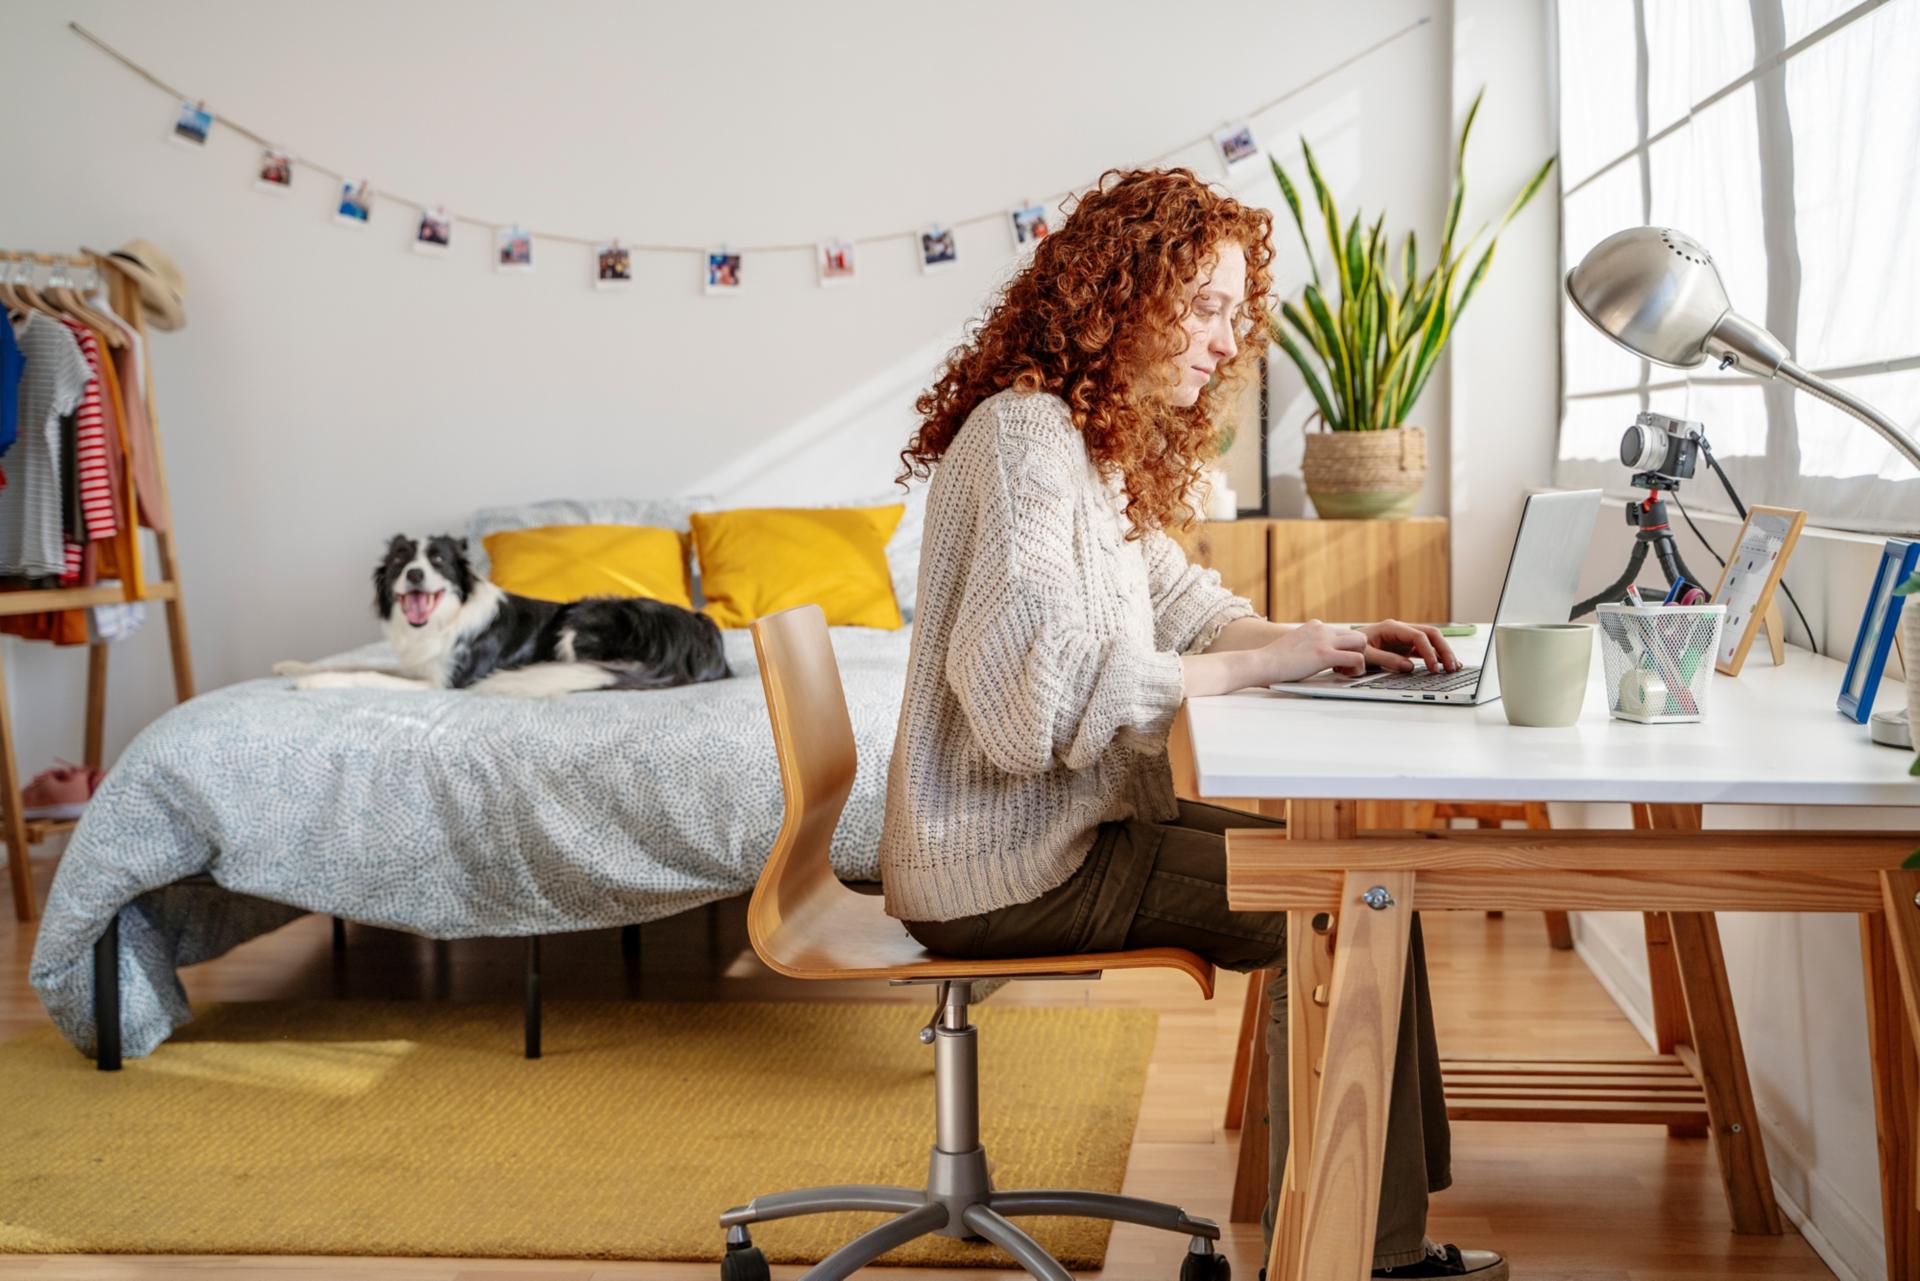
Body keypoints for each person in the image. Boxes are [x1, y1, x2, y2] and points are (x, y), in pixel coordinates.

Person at [879, 167, 1504, 1280]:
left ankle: (1356, 1233)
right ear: (1123, 291)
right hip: (1007, 869)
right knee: (1349, 901)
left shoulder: (1083, 448)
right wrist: (1257, 666)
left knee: (1369, 884)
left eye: (1233, 314)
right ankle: (1362, 1254)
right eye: (1208, 308)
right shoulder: (1025, 441)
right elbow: (1036, 705)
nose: (1227, 344)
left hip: (1060, 843)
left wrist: (1326, 638)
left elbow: (1186, 607)